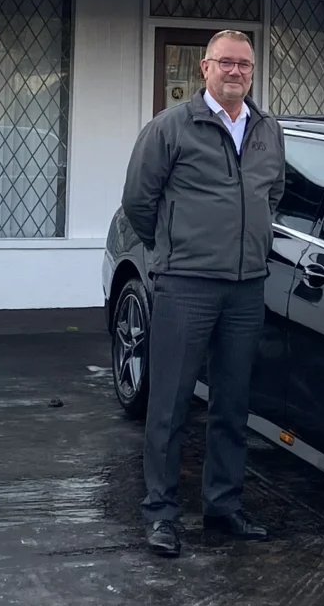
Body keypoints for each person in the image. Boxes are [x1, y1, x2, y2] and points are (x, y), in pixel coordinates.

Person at [119, 28, 287, 557]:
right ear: (205, 69)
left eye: (244, 65)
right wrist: (174, 253)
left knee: (233, 404)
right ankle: (162, 513)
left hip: (245, 289)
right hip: (186, 286)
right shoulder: (170, 128)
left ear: (253, 73)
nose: (236, 72)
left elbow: (273, 194)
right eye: (226, 63)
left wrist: (252, 244)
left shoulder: (266, 130)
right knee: (169, 405)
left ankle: (223, 506)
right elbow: (139, 203)